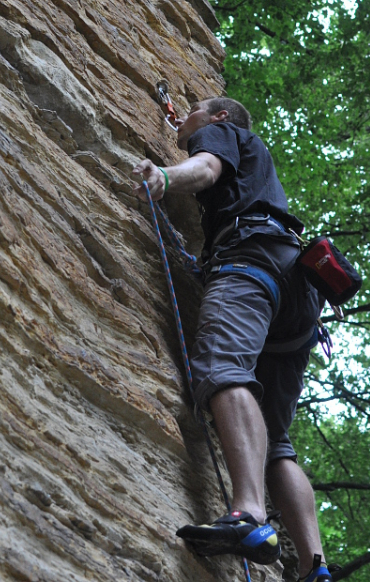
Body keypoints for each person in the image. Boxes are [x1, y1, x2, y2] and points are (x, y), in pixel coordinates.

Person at [132, 96, 332, 582]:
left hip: (251, 264)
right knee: (277, 442)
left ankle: (248, 515)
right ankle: (313, 567)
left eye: (195, 110)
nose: (188, 119)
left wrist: (163, 177)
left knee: (223, 368)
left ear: (220, 117)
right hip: (299, 294)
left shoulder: (226, 133)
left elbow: (204, 169)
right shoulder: (260, 166)